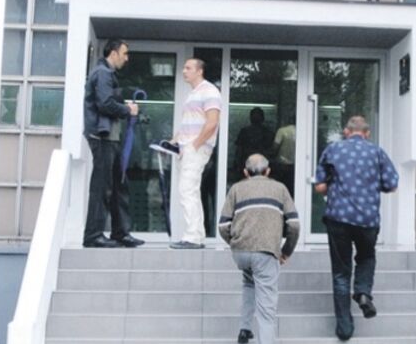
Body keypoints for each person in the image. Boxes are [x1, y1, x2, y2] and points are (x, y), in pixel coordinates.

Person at [218, 153, 300, 344]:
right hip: (266, 252)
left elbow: (223, 226)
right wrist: (286, 251)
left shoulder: (236, 189)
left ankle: (244, 328)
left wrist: (235, 242)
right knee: (266, 313)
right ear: (268, 171)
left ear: (246, 172)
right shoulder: (280, 189)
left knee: (248, 281)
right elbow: (294, 225)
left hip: (241, 253)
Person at [313, 115, 399, 341]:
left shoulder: (332, 150)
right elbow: (392, 185)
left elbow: (319, 186)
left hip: (338, 218)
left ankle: (344, 328)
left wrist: (333, 185)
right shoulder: (377, 152)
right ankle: (362, 292)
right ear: (367, 133)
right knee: (366, 257)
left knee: (341, 273)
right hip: (367, 220)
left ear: (346, 131)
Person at [151, 57, 221, 248]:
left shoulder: (209, 91)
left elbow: (212, 123)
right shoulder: (192, 94)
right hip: (186, 149)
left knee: (187, 190)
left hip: (195, 149)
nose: (184, 71)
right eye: (184, 68)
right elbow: (187, 126)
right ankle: (196, 235)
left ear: (200, 71)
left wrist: (194, 145)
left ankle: (193, 238)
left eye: (188, 68)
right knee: (190, 191)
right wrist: (171, 144)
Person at [82, 39, 143, 248]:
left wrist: (124, 106)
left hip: (110, 138)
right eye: (124, 53)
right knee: (102, 187)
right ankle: (93, 235)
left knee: (119, 185)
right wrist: (127, 110)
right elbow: (105, 103)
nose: (127, 58)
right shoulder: (103, 73)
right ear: (114, 53)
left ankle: (121, 233)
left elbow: (108, 101)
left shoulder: (107, 74)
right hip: (102, 138)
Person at [231, 107, 275, 181]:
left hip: (247, 163)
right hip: (261, 164)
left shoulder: (245, 131)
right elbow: (271, 150)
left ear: (250, 118)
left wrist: (236, 163)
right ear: (263, 118)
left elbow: (239, 149)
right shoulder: (268, 132)